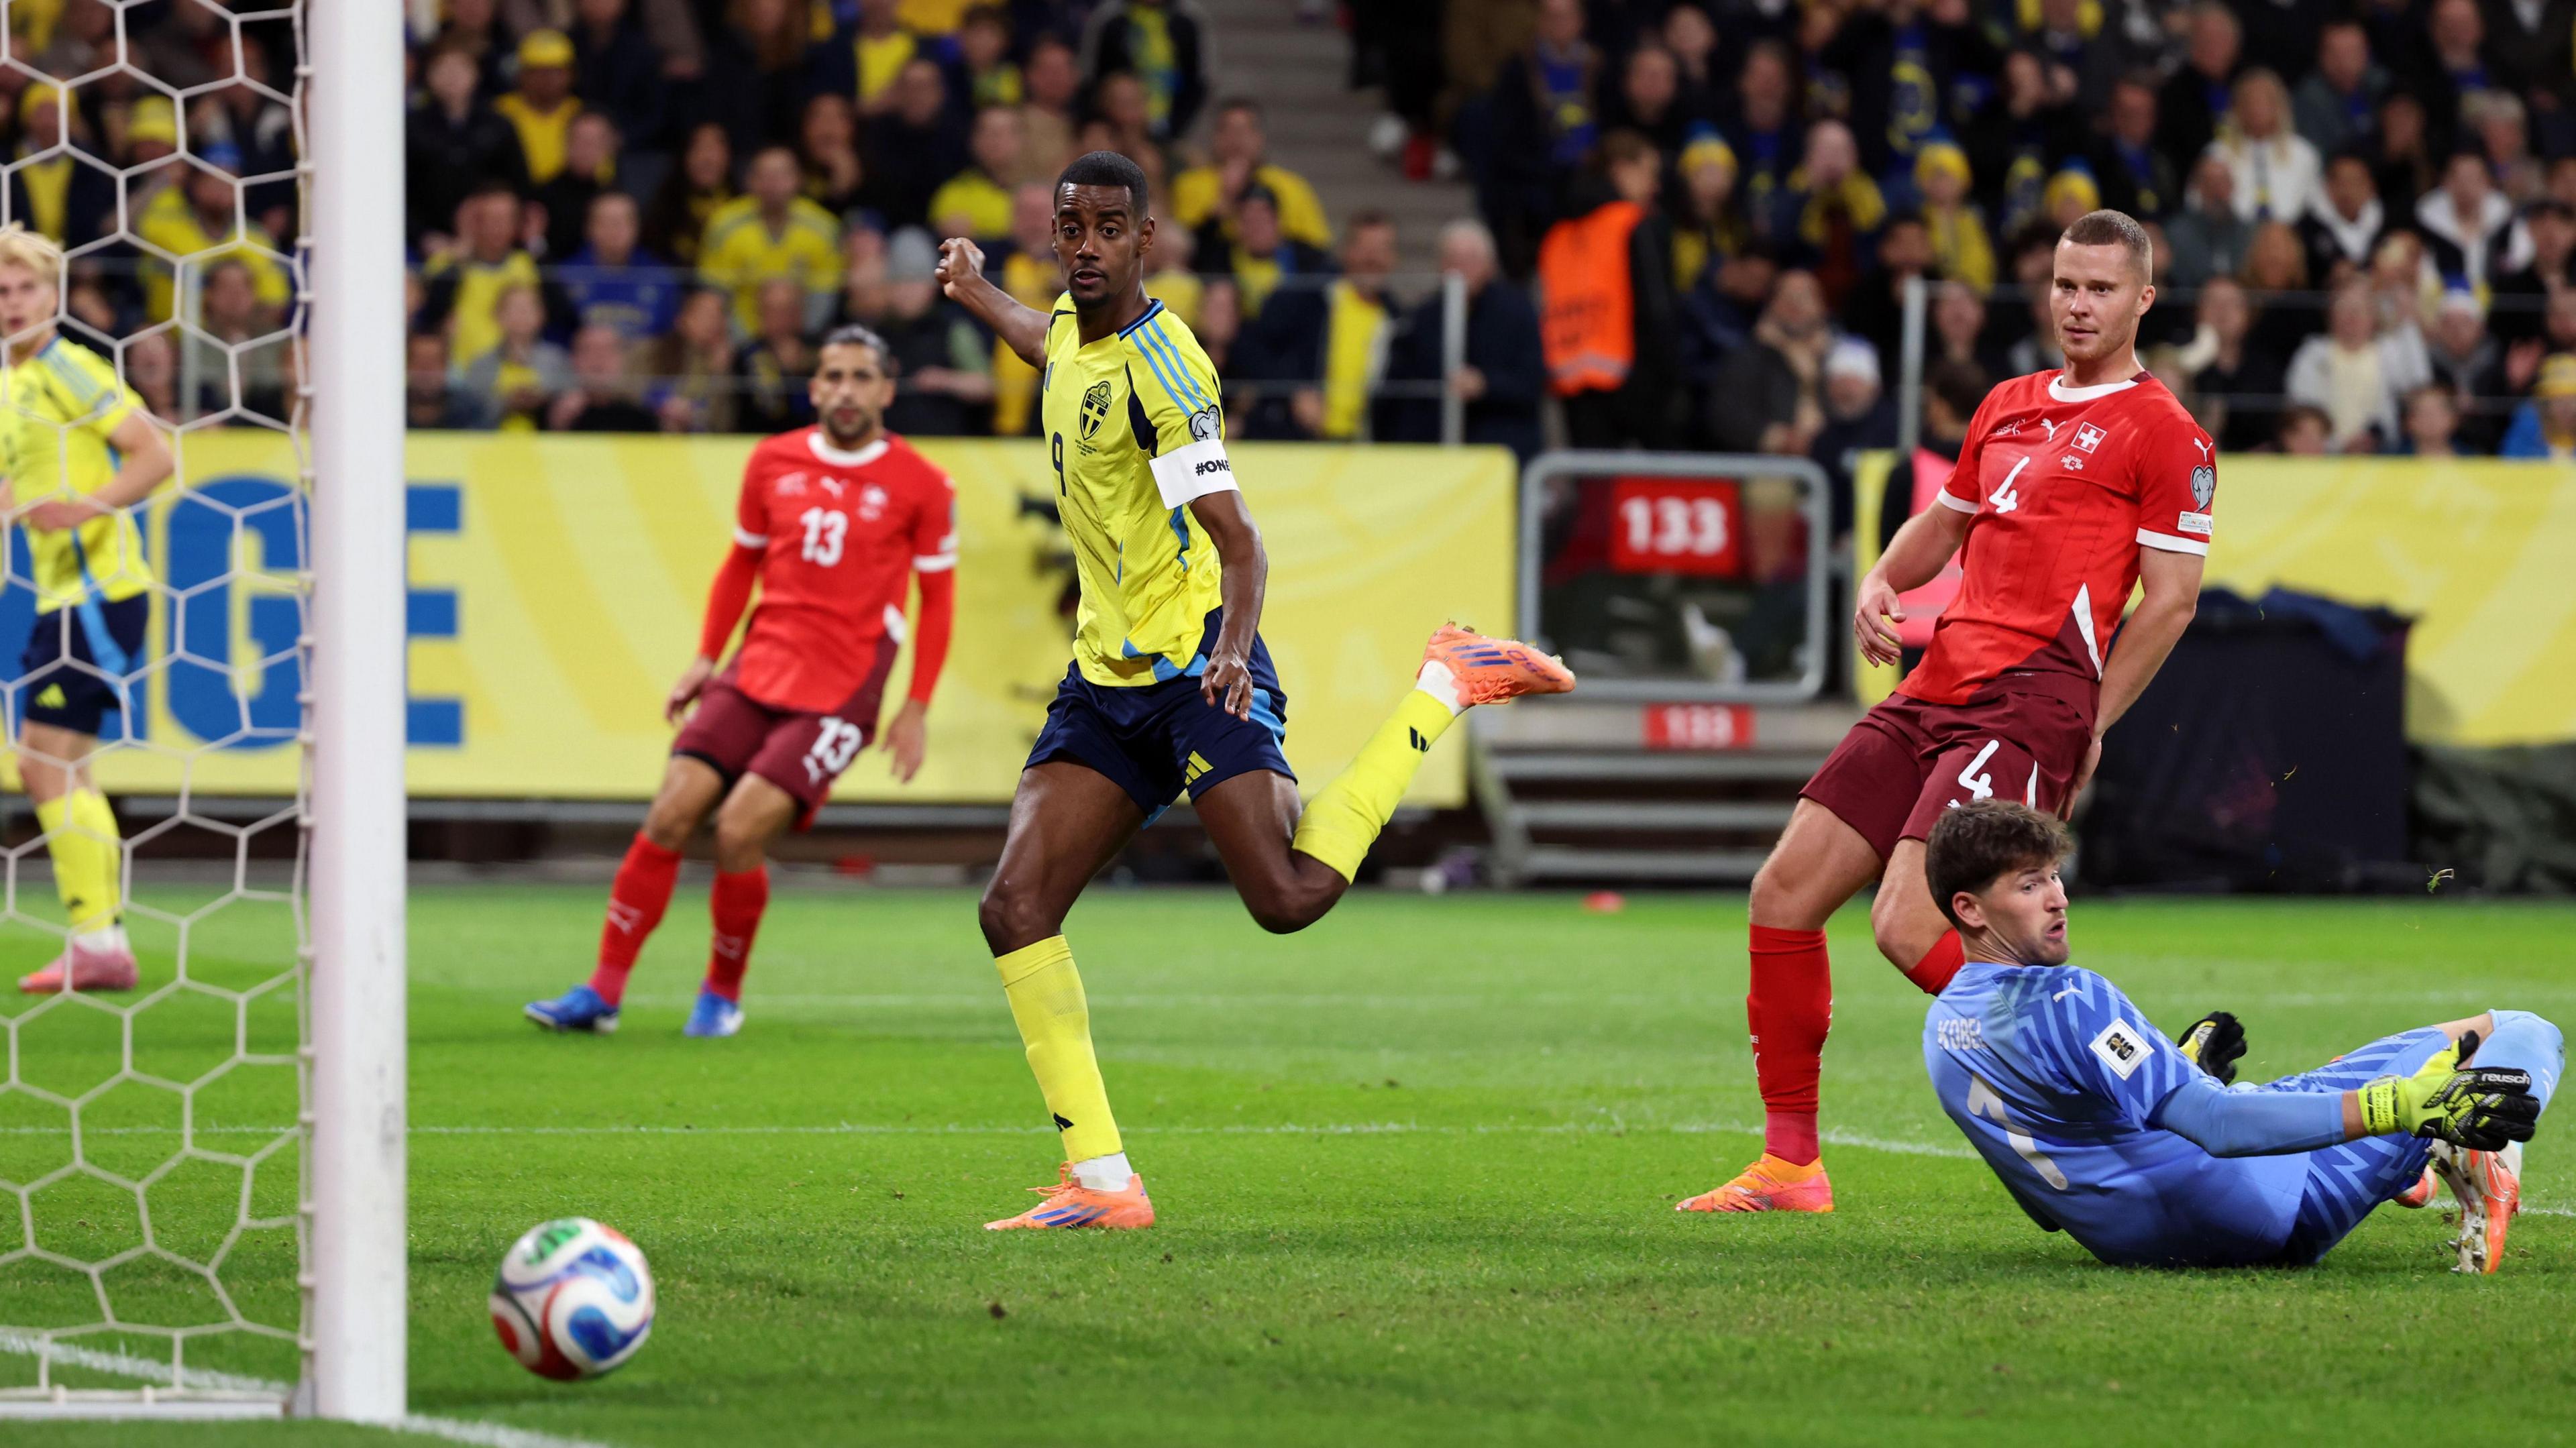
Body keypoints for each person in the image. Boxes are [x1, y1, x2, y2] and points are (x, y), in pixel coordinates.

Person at [933, 152, 1575, 1231]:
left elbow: (1241, 542)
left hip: (1197, 665)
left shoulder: (1165, 372)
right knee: (1015, 907)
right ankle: (1102, 1183)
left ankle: (1444, 683)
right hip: (1106, 679)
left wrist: (1232, 652)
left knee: (1285, 897)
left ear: (1147, 239)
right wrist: (973, 288)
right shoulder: (1073, 331)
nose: (1086, 245)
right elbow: (1042, 340)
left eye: (1108, 228)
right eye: (1071, 226)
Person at [1683, 209, 2214, 1215]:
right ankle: (1791, 1165)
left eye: (2101, 288)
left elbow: (2172, 600)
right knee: (1783, 891)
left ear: (2144, 299)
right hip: (1935, 684)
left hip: (2031, 697)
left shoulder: (2167, 431)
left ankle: (2145, 1094)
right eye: (2066, 284)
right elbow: (1945, 522)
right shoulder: (2007, 403)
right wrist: (1881, 578)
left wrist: (2091, 719)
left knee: (1905, 920)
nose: (2078, 304)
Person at [527, 325, 957, 1038]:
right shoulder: (772, 459)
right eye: (833, 376)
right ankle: (602, 991)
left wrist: (915, 706)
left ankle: (721, 995)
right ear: (814, 387)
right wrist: (705, 657)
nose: (845, 390)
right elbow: (741, 564)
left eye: (861, 377)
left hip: (841, 692)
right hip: (756, 668)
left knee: (737, 828)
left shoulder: (923, 484)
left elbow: (937, 601)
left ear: (886, 389)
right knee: (670, 812)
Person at [1922, 799, 2553, 1272]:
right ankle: (2467, 1150)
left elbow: (2045, 1205)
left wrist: (2175, 1070)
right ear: (1969, 909)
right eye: (2029, 885)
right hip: (2271, 1213)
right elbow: (2219, 1125)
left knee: (2284, 1089)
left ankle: (2406, 1166)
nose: (2058, 899)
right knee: (2516, 1030)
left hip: (2136, 1248)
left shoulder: (1942, 1032)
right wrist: (2398, 1105)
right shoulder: (2069, 995)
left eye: (2055, 875)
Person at [2, 227, 176, 994]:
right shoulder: (12, 382)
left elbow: (155, 453)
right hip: (63, 596)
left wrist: (86, 508)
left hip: (101, 592)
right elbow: (17, 484)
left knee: (43, 759)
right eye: (2, 292)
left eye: (27, 289)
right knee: (62, 763)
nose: (13, 304)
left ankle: (99, 940)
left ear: (55, 296)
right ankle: (101, 941)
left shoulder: (69, 368)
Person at [700, 147, 843, 337]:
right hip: (739, 331)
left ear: (799, 179)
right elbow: (716, 292)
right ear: (750, 181)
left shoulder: (824, 227)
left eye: (781, 175)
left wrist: (804, 339)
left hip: (800, 331)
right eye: (764, 175)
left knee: (779, 297)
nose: (773, 183)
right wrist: (746, 343)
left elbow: (824, 295)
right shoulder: (724, 224)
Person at [1169, 99, 1332, 253]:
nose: (1236, 139)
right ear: (1215, 137)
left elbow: (1317, 248)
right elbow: (1183, 249)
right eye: (1227, 130)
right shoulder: (1188, 185)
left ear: (1260, 137)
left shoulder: (1292, 186)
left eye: (1244, 130)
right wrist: (1225, 200)